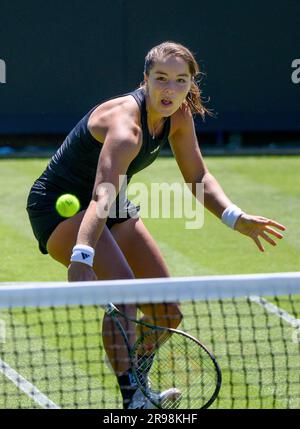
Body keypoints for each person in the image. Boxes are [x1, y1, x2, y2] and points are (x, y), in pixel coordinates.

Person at [26, 41, 286, 409]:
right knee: (127, 296)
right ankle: (133, 398)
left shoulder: (178, 118)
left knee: (168, 311)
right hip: (59, 208)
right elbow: (100, 194)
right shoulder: (126, 128)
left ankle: (138, 376)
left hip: (111, 202)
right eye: (161, 78)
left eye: (180, 81)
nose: (170, 89)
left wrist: (235, 217)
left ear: (190, 85)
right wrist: (81, 255)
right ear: (145, 79)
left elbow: (198, 176)